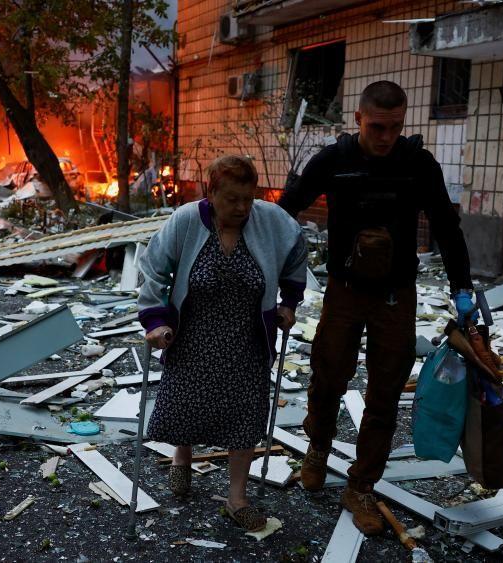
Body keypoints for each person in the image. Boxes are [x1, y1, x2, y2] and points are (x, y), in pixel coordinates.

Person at [278, 80, 476, 535]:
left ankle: (361, 486)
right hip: (345, 291)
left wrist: (462, 287)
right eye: (378, 126)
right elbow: (286, 209)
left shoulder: (416, 164)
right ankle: (318, 448)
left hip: (395, 296)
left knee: (384, 393)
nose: (387, 136)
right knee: (328, 376)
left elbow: (446, 226)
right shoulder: (334, 161)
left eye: (396, 127)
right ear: (359, 120)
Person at [137, 155, 308, 532]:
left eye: (248, 198)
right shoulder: (184, 221)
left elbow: (297, 253)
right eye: (232, 199)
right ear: (211, 192)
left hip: (248, 339)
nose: (242, 207)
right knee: (186, 408)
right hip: (193, 337)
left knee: (244, 417)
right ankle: (183, 456)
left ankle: (237, 498)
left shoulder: (270, 220)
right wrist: (155, 320)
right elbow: (152, 268)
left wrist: (289, 303)